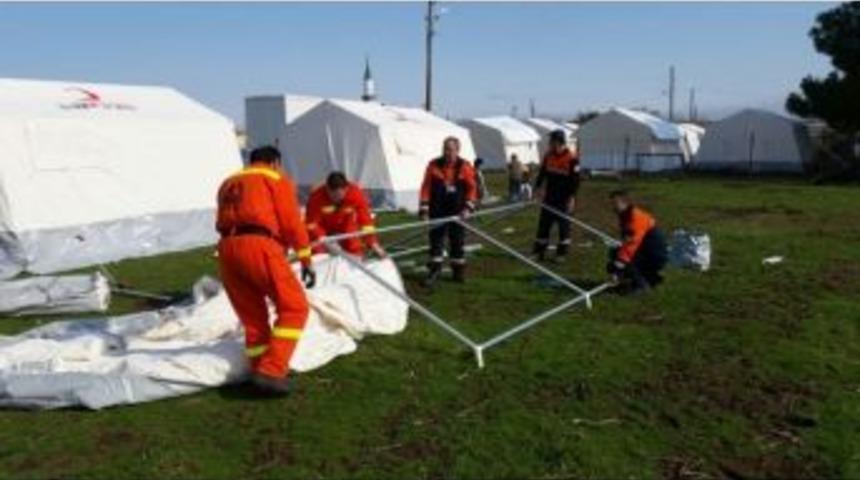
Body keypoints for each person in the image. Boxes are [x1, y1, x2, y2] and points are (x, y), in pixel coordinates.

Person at [216, 146, 316, 395]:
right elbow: (291, 222)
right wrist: (305, 257)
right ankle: (272, 371)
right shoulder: (274, 178)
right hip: (258, 244)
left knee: (253, 318)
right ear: (274, 162)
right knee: (295, 307)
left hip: (227, 248)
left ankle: (259, 368)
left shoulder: (228, 182)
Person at [419, 136, 478, 285]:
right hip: (437, 210)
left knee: (457, 241)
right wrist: (424, 210)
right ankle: (434, 272)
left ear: (458, 151)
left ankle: (458, 272)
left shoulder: (465, 166)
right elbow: (425, 188)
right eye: (445, 149)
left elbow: (472, 189)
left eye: (451, 150)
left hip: (457, 211)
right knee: (436, 242)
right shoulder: (433, 165)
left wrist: (468, 208)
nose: (448, 152)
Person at [305, 171, 386, 258]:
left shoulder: (355, 194)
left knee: (354, 246)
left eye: (339, 196)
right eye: (333, 196)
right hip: (322, 228)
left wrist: (373, 243)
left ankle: (356, 263)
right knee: (318, 250)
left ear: (346, 189)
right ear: (327, 189)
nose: (336, 200)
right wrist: (325, 240)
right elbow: (311, 224)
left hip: (346, 225)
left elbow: (365, 221)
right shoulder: (316, 198)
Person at [532, 129, 581, 263]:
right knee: (543, 226)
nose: (549, 144)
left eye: (551, 142)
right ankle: (539, 252)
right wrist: (537, 189)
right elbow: (542, 173)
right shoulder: (548, 156)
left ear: (558, 142)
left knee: (563, 227)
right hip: (549, 197)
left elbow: (575, 181)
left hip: (564, 199)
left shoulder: (572, 159)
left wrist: (571, 198)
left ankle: (561, 254)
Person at [606, 189, 668, 293]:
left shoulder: (636, 217)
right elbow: (627, 240)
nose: (612, 207)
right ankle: (646, 278)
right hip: (647, 251)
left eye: (615, 203)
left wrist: (617, 266)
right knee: (616, 253)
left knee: (621, 259)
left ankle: (641, 286)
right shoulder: (625, 215)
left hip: (655, 255)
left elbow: (631, 245)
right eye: (611, 203)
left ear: (624, 203)